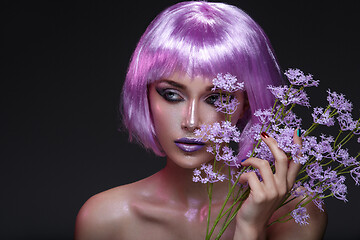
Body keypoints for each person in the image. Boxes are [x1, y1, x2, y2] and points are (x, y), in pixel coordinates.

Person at [75, 1, 327, 239]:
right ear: (145, 93)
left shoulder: (297, 213)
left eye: (216, 98)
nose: (191, 121)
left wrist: (250, 228)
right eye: (172, 95)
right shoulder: (105, 218)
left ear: (246, 103)